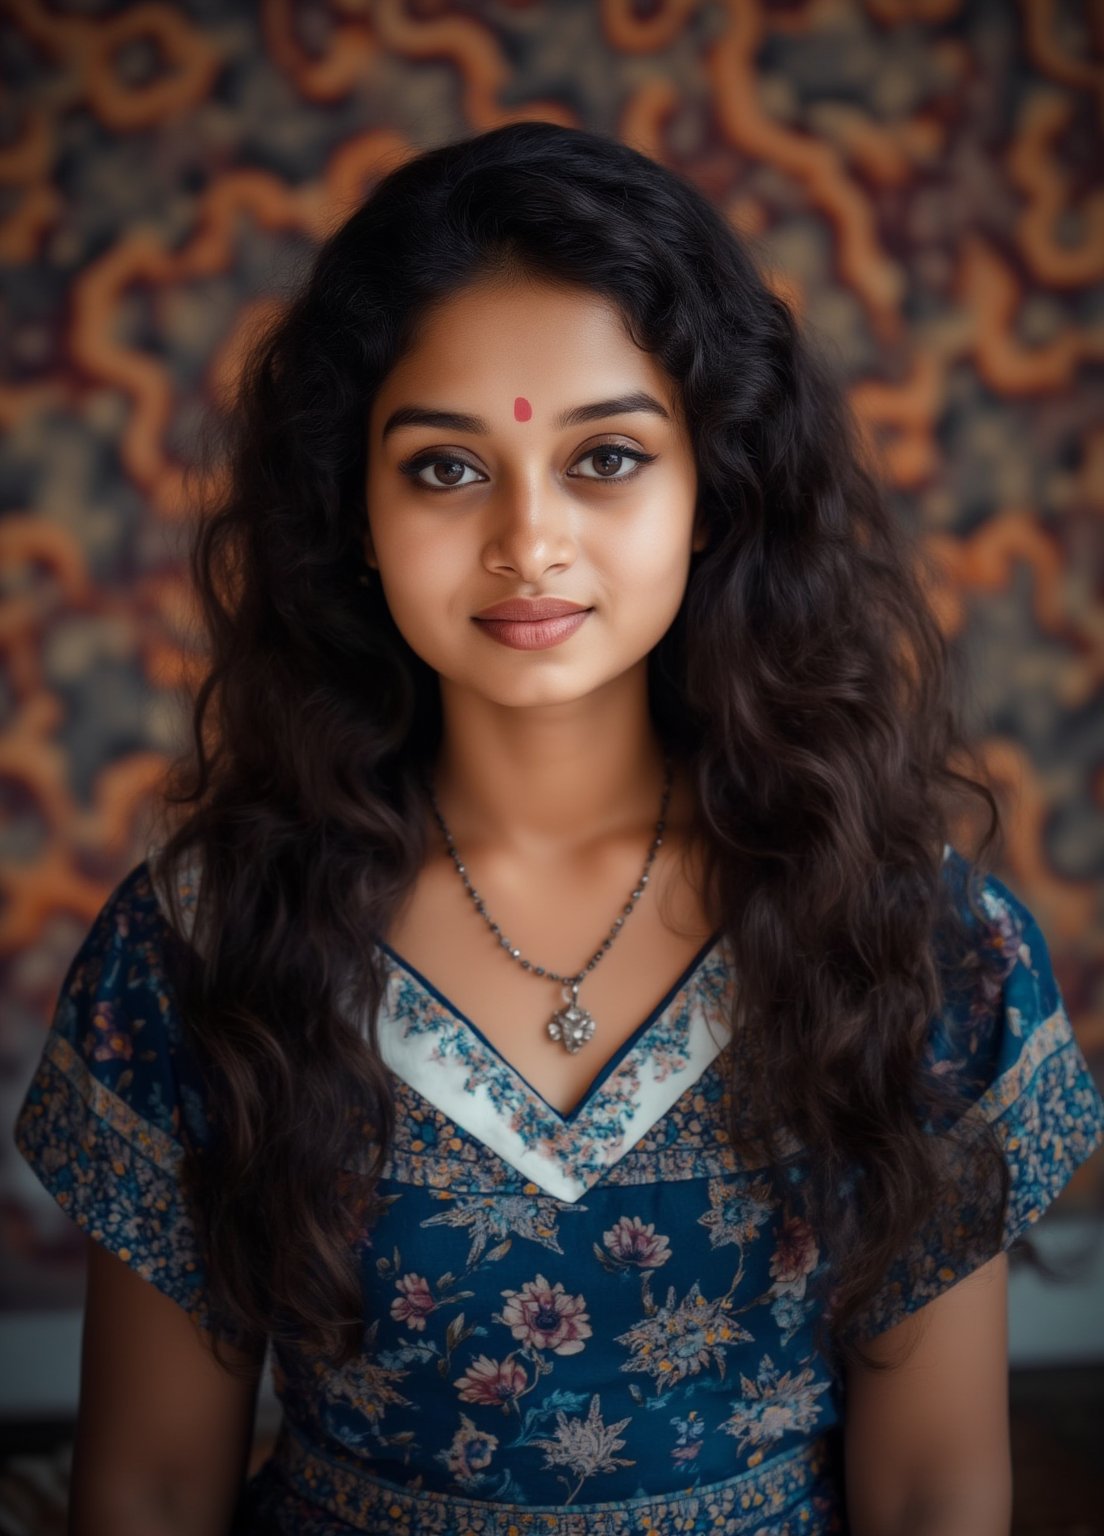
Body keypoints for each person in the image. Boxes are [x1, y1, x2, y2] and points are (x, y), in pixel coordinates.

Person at [13, 120, 1104, 1536]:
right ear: (351, 509)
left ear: (715, 490)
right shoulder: (210, 941)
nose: (529, 540)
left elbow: (937, 1489)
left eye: (606, 459)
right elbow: (153, 1491)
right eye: (446, 470)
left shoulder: (908, 936)